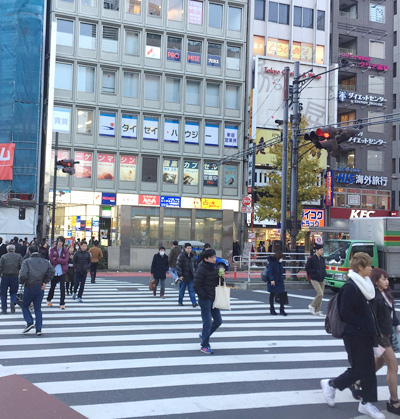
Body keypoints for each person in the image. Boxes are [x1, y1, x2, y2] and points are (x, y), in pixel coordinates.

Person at [320, 252, 384, 419]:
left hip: (365, 333)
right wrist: (364, 322)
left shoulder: (365, 285)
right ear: (360, 267)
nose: (371, 268)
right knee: (359, 369)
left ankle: (366, 404)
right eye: (369, 265)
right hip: (354, 334)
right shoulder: (350, 287)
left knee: (369, 369)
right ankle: (332, 384)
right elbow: (345, 313)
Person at [370, 268, 400, 415]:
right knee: (393, 366)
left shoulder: (386, 294)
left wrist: (397, 325)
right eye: (383, 279)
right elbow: (373, 320)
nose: (387, 281)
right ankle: (394, 401)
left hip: (388, 334)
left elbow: (392, 314)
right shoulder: (374, 297)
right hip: (381, 336)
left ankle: (357, 380)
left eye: (387, 278)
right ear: (376, 281)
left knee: (379, 363)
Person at [18, 244, 55, 335]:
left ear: (29, 252)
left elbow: (22, 275)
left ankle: (29, 322)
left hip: (29, 286)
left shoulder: (27, 261)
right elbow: (52, 271)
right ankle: (38, 329)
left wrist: (22, 281)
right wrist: (45, 281)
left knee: (25, 305)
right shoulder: (45, 261)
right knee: (37, 308)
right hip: (40, 286)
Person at [194, 248, 223, 354]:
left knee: (218, 321)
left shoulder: (213, 268)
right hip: (206, 300)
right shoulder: (201, 269)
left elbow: (217, 282)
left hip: (214, 299)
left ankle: (204, 335)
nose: (214, 259)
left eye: (215, 257)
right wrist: (204, 296)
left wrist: (221, 277)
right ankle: (204, 345)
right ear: (206, 259)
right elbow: (196, 285)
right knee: (208, 323)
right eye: (212, 257)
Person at [47, 236, 69, 310]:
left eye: (61, 242)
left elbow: (66, 260)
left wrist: (57, 259)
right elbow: (51, 259)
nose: (59, 243)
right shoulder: (52, 249)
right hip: (54, 271)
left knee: (62, 288)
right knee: (52, 287)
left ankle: (62, 303)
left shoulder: (65, 250)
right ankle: (49, 299)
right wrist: (59, 260)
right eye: (58, 241)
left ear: (63, 243)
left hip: (62, 271)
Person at [0, 244, 23, 314]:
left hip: (5, 276)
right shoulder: (18, 256)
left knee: (3, 293)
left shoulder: (3, 257)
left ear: (7, 250)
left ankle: (4, 309)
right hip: (15, 276)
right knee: (14, 292)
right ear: (14, 249)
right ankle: (13, 301)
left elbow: (0, 267)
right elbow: (21, 266)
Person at [305, 244, 327, 317]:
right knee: (320, 293)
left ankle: (317, 310)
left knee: (321, 295)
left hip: (321, 278)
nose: (322, 252)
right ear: (316, 250)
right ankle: (312, 305)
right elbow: (307, 268)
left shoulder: (322, 259)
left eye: (322, 250)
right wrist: (315, 272)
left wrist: (324, 273)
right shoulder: (311, 258)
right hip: (314, 278)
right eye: (321, 250)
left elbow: (323, 267)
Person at [176, 243, 198, 307]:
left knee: (191, 289)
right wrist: (180, 275)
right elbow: (178, 266)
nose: (189, 249)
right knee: (182, 289)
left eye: (190, 248)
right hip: (183, 276)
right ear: (185, 248)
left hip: (191, 275)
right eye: (188, 248)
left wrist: (195, 274)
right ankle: (180, 301)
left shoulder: (193, 256)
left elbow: (195, 266)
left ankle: (194, 302)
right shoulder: (181, 256)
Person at [267, 251, 286, 316]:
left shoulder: (279, 263)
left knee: (282, 295)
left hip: (279, 280)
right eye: (281, 258)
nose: (282, 259)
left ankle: (282, 309)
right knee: (272, 294)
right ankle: (272, 309)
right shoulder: (272, 263)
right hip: (273, 281)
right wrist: (272, 279)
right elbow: (270, 272)